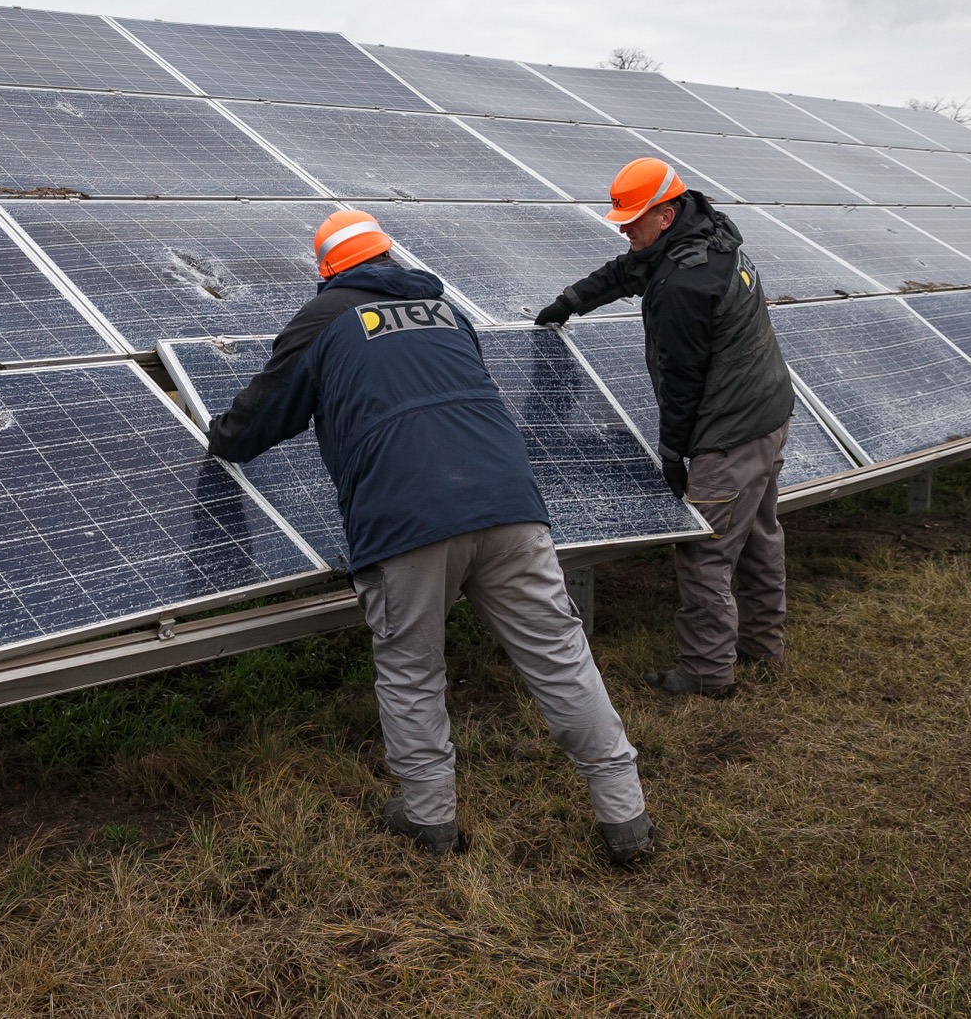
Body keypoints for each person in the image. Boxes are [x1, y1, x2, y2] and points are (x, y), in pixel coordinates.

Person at [206, 210, 654, 863]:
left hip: (407, 518)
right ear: (388, 258)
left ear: (329, 271)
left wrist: (220, 437)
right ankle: (626, 814)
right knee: (560, 656)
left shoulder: (324, 318)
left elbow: (259, 420)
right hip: (508, 502)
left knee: (413, 669)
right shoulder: (447, 313)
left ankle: (430, 818)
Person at [535, 159, 795, 698]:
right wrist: (568, 304)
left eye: (633, 220)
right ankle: (762, 646)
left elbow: (682, 383)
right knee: (759, 535)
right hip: (769, 414)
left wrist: (674, 454)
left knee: (705, 551)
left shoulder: (684, 283)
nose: (624, 228)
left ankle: (705, 674)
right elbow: (626, 271)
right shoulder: (708, 237)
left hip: (730, 430)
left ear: (667, 214)